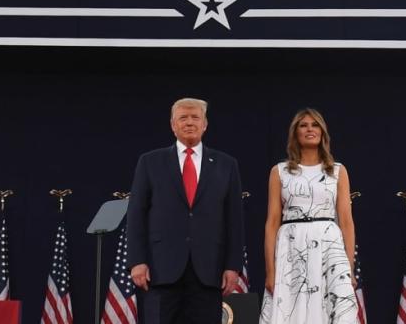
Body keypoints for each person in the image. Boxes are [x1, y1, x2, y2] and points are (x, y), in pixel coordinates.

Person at [127, 98, 244, 324]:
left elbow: (234, 220)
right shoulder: (150, 162)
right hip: (160, 270)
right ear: (173, 125)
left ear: (205, 124)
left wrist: (233, 266)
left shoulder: (226, 164)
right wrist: (136, 261)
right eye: (183, 117)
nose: (189, 122)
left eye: (195, 117)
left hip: (209, 270)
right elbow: (136, 215)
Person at [261, 109, 358, 324]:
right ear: (295, 133)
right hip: (291, 248)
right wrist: (270, 270)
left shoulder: (338, 171)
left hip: (329, 248)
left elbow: (346, 222)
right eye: (303, 125)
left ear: (322, 133)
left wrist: (348, 269)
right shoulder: (279, 171)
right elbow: (272, 223)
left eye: (315, 125)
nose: (310, 129)